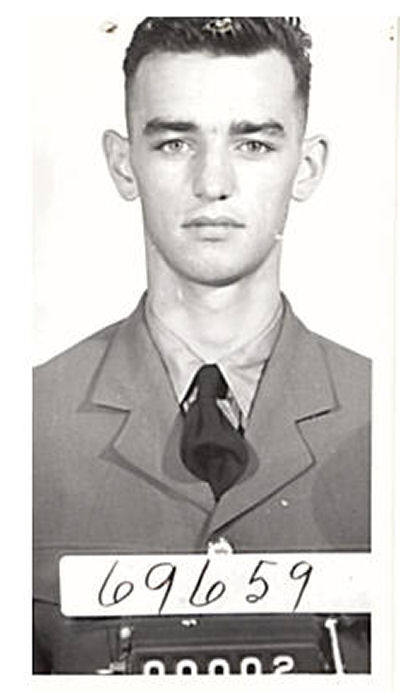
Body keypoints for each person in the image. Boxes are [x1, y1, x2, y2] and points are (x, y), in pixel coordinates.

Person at [33, 17, 371, 674]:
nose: (212, 182)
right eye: (174, 143)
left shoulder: (385, 420)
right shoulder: (22, 426)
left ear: (306, 167)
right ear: (123, 164)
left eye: (253, 144)